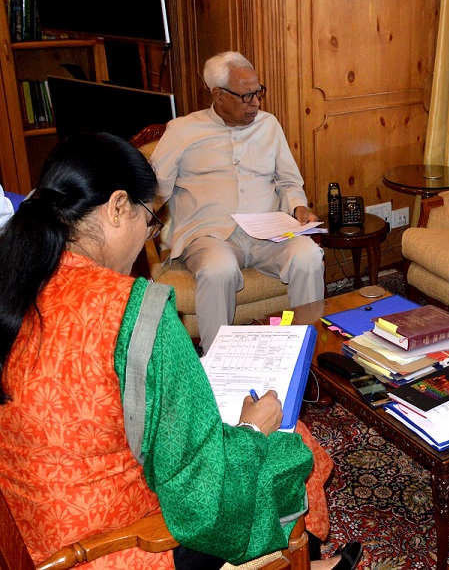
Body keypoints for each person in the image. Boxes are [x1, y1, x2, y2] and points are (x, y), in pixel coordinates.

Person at [0, 133, 360, 570]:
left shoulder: (17, 278)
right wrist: (250, 429)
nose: (146, 237)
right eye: (150, 220)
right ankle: (303, 562)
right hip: (115, 545)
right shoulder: (132, 309)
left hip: (34, 532)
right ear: (117, 207)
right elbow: (201, 496)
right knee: (289, 444)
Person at [151, 51, 325, 354]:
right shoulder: (182, 131)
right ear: (218, 95)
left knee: (308, 255)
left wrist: (298, 207)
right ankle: (218, 361)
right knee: (218, 269)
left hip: (268, 234)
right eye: (246, 96)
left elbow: (289, 181)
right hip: (209, 236)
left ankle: (305, 353)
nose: (256, 103)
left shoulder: (269, 125)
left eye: (258, 93)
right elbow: (154, 188)